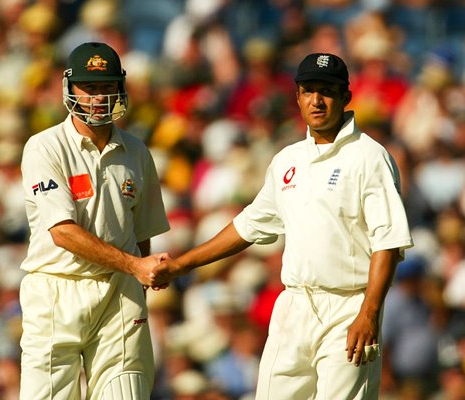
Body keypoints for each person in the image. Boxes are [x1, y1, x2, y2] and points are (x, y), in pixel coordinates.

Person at [150, 53, 414, 399]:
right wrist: (182, 265)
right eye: (308, 91)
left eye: (326, 91)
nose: (316, 101)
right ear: (298, 97)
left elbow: (388, 244)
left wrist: (368, 314)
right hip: (293, 304)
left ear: (345, 97)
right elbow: (247, 226)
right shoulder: (287, 160)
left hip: (349, 307)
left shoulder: (369, 157)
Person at [19, 42, 170, 400]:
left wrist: (138, 274)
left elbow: (142, 234)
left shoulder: (137, 151)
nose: (98, 99)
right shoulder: (45, 147)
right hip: (57, 288)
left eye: (106, 88)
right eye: (88, 89)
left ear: (119, 89)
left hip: (120, 292)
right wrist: (135, 265)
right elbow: (63, 233)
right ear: (70, 89)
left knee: (127, 393)